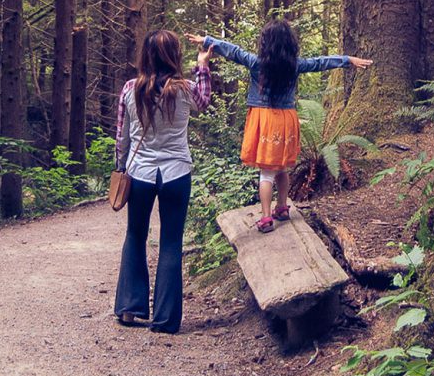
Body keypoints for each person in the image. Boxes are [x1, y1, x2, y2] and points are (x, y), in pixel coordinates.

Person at [197, 21, 371, 233]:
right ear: (290, 44)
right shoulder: (294, 65)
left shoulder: (256, 63)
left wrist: (208, 41)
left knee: (266, 173)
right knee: (280, 167)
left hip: (265, 119)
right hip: (286, 119)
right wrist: (347, 60)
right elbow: (320, 62)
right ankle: (281, 207)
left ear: (265, 43)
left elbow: (234, 51)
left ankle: (266, 217)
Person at [113, 29, 213, 333]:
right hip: (176, 174)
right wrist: (203, 64)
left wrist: (120, 168)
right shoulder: (185, 89)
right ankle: (166, 320)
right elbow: (205, 101)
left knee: (135, 235)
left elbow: (121, 137)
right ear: (175, 56)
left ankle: (130, 309)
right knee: (171, 242)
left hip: (140, 173)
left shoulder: (130, 89)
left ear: (146, 55)